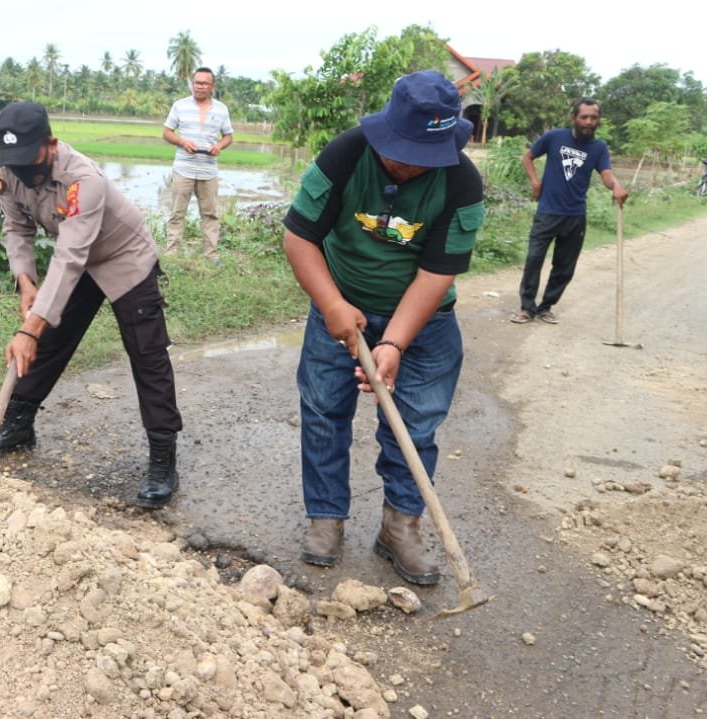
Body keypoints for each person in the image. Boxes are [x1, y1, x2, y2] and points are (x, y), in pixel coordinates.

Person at [282, 71, 484, 585]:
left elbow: (437, 273)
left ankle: (400, 527)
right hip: (341, 305)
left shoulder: (462, 181)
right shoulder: (346, 154)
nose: (411, 163)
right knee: (325, 409)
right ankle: (326, 518)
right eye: (402, 151)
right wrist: (330, 304)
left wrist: (394, 340)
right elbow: (299, 237)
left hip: (425, 321)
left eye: (424, 154)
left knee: (414, 423)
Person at [0, 101, 184, 509]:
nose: (22, 173)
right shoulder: (9, 173)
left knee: (147, 354)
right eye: (14, 163)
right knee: (51, 340)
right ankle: (18, 425)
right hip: (77, 261)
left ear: (51, 145)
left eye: (29, 161)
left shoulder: (83, 179)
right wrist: (25, 282)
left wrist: (27, 328)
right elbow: (16, 227)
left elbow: (70, 254)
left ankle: (164, 458)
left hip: (123, 257)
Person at [511, 99, 628, 324]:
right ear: (574, 117)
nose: (588, 122)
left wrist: (616, 185)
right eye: (584, 117)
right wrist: (535, 183)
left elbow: (606, 173)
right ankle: (527, 307)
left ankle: (545, 307)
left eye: (593, 117)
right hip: (548, 212)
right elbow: (528, 157)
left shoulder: (599, 147)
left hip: (575, 215)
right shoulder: (555, 137)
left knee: (564, 267)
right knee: (534, 259)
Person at [162, 67, 234, 263]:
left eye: (204, 83)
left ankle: (211, 255)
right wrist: (183, 142)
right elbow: (167, 133)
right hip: (183, 169)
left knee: (210, 214)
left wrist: (219, 146)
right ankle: (171, 254)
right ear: (192, 84)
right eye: (197, 82)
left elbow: (228, 137)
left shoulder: (221, 109)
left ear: (212, 87)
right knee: (177, 213)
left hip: (208, 171)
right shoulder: (179, 105)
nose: (200, 86)